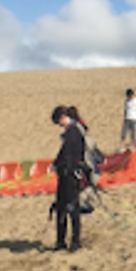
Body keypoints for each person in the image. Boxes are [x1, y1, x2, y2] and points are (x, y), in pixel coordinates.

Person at [51, 105, 87, 251]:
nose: (59, 125)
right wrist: (55, 165)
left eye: (59, 122)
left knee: (72, 208)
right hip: (65, 174)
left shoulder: (74, 132)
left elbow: (69, 153)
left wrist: (57, 165)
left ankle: (75, 241)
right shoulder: (72, 131)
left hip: (71, 175)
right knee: (61, 208)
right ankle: (61, 242)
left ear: (63, 118)